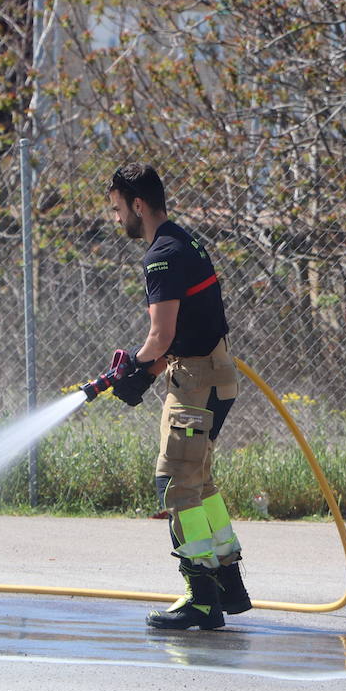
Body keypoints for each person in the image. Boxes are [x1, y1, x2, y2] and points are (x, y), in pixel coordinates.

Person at [97, 162, 250, 631]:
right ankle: (228, 584)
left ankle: (201, 599)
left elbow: (160, 336)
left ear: (137, 205)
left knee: (175, 484)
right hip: (213, 374)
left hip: (195, 383)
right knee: (198, 481)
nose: (117, 217)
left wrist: (138, 370)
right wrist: (145, 368)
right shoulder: (187, 241)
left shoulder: (161, 255)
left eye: (118, 208)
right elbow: (184, 331)